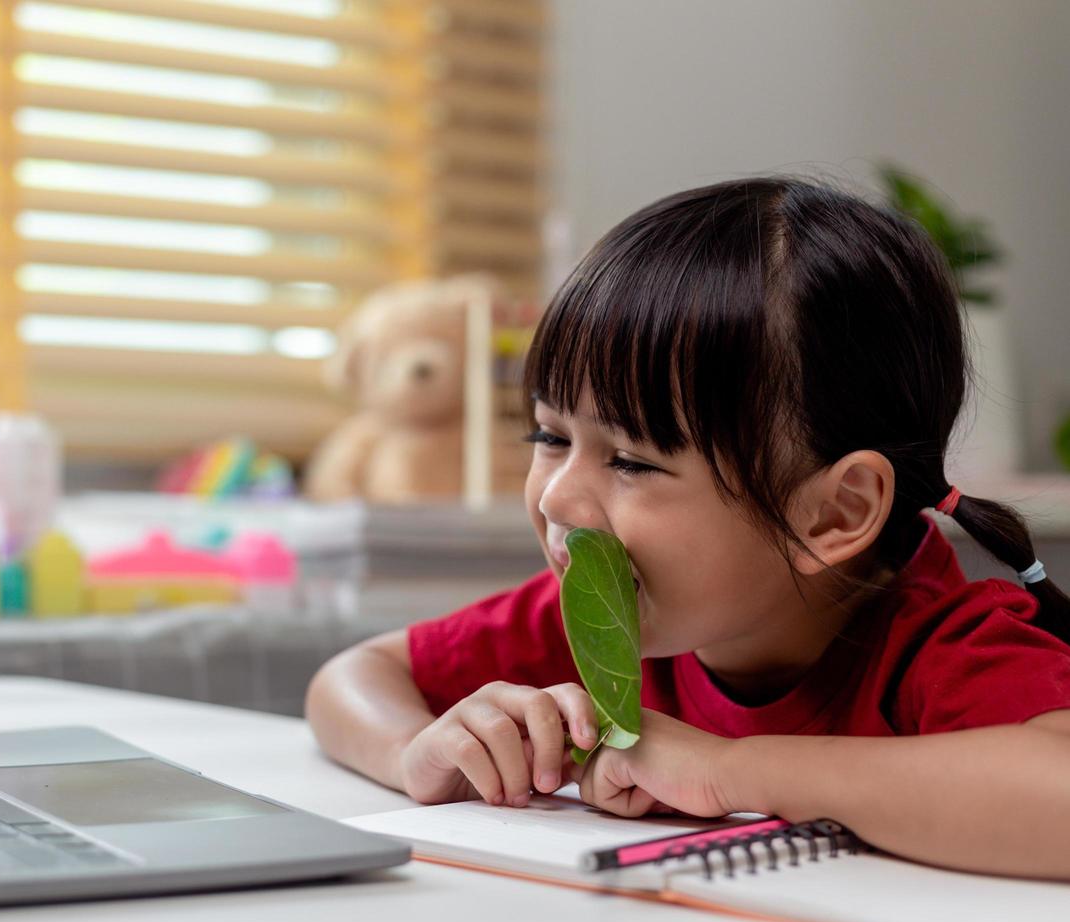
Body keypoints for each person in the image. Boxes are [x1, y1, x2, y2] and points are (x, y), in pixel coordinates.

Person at [306, 177, 1070, 879]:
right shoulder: (599, 617)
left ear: (832, 514)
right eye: (550, 437)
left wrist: (728, 769)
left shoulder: (943, 646)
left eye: (633, 460)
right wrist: (417, 750)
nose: (558, 500)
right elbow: (353, 678)